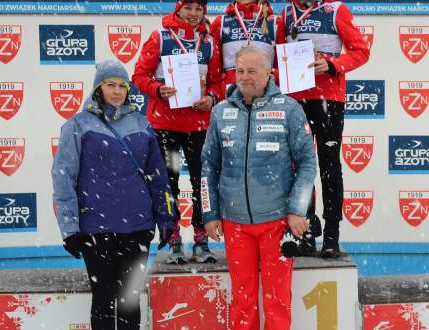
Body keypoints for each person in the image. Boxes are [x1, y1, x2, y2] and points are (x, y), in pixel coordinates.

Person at [52, 60, 174, 330]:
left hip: (138, 228)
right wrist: (69, 228)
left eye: (122, 86)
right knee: (104, 302)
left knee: (130, 302)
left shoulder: (142, 125)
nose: (117, 91)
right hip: (96, 229)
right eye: (111, 85)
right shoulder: (78, 125)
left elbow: (158, 177)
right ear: (99, 88)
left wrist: (166, 219)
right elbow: (63, 178)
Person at [201, 46, 317, 330]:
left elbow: (307, 164)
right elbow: (208, 167)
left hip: (277, 222)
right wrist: (210, 213)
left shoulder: (289, 109)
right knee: (242, 299)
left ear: (268, 73)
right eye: (240, 71)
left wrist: (297, 210)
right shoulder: (220, 112)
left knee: (277, 299)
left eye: (252, 71)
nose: (245, 77)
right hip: (234, 222)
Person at [279, 0, 370, 257]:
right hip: (296, 100)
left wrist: (331, 64)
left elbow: (360, 51)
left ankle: (331, 235)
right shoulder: (286, 13)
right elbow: (276, 56)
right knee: (299, 169)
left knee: (329, 167)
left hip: (329, 99)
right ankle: (305, 232)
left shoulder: (337, 9)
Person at [132, 0, 220, 264]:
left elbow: (218, 81)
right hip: (166, 124)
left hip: (198, 125)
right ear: (178, 9)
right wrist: (158, 90)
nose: (193, 14)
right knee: (167, 184)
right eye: (188, 8)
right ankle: (173, 240)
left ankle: (201, 240)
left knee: (201, 184)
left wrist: (213, 97)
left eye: (198, 9)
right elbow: (139, 75)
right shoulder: (160, 37)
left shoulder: (210, 41)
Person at [211, 0, 281, 98]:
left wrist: (272, 75)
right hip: (231, 93)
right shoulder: (220, 22)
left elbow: (283, 64)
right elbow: (214, 70)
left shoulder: (275, 22)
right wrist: (214, 95)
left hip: (264, 91)